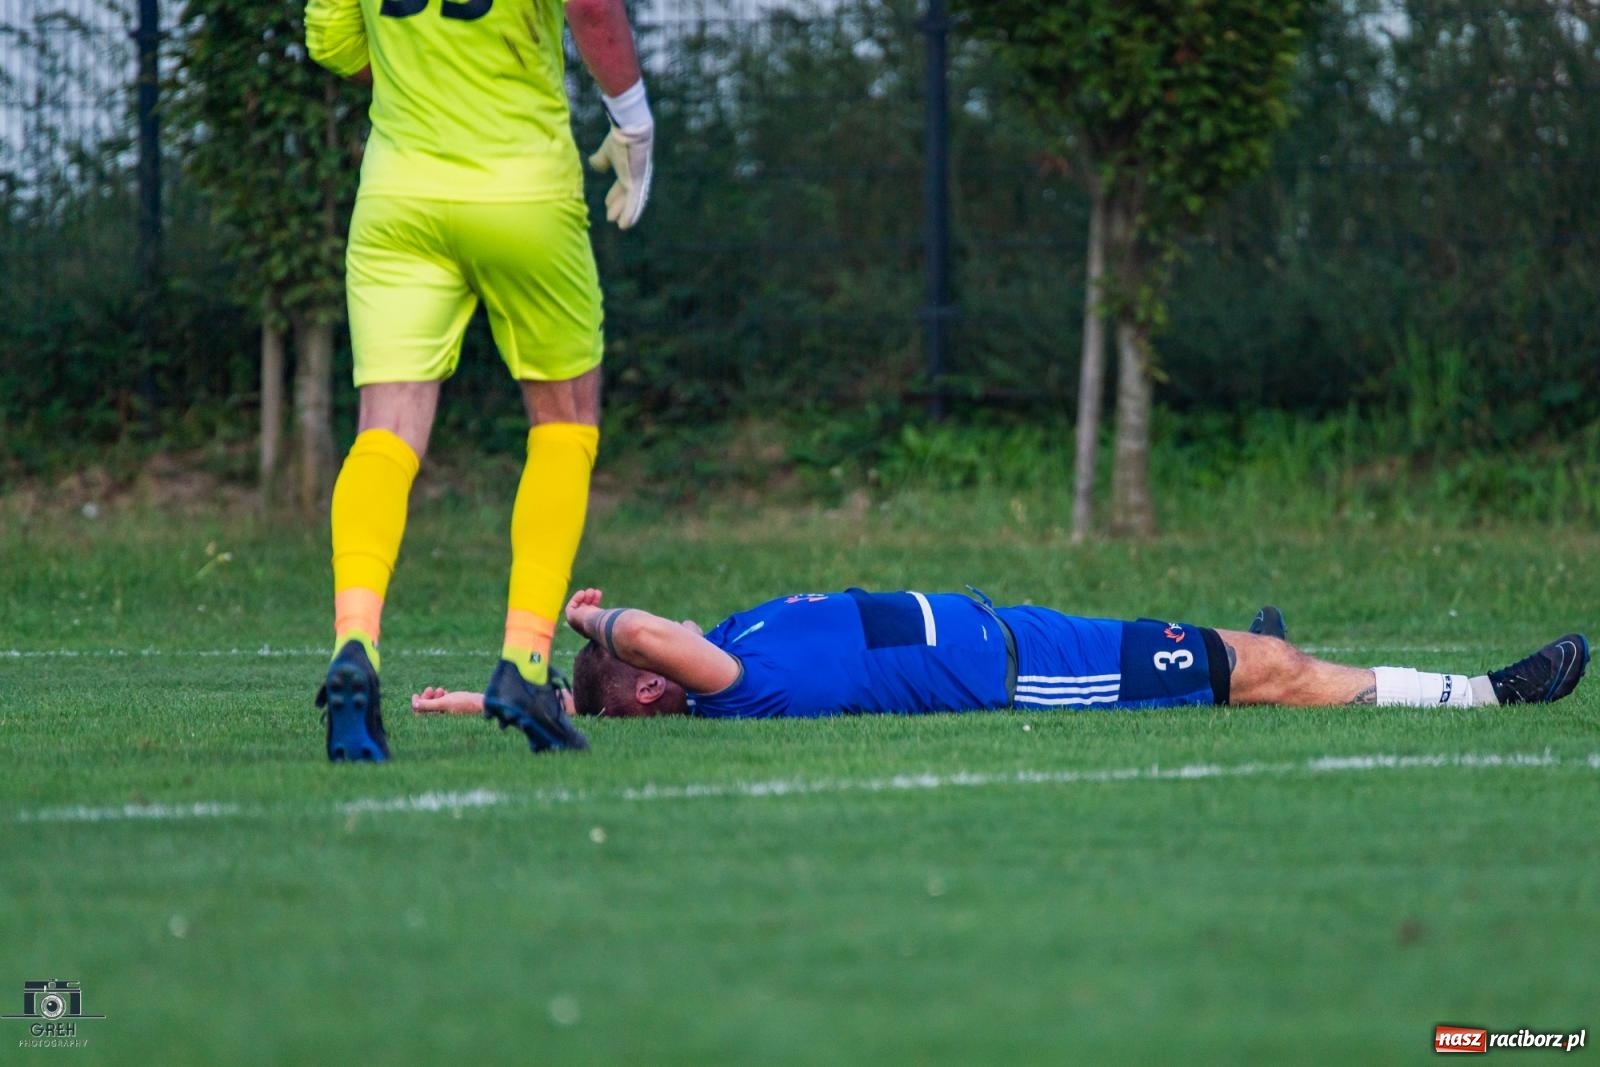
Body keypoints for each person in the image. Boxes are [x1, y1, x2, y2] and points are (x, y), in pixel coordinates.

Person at [305, 0, 655, 760]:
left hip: (400, 194)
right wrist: (634, 122)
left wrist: (418, 78)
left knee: (384, 436)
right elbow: (593, 7)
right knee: (564, 425)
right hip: (521, 191)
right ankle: (526, 664)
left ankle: (354, 644)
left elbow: (332, 42)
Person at [409, 588, 1589, 724]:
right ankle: (1489, 690)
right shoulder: (728, 681)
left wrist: (483, 696)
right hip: (1029, 670)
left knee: (1231, 650)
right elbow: (643, 651)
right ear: (659, 680)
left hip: (1026, 625)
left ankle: (1246, 652)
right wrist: (589, 621)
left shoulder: (724, 643)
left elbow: (603, 688)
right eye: (645, 645)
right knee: (1259, 671)